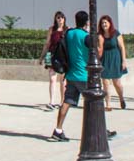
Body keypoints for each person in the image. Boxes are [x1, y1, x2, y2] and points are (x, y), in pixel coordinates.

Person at [53, 10, 102, 141]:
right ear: (87, 22)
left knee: (67, 102)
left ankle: (58, 129)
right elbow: (96, 53)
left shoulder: (69, 33)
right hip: (84, 75)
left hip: (71, 74)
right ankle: (99, 129)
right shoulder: (86, 36)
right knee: (94, 102)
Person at [96, 15, 128, 111]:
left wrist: (124, 61)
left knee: (117, 83)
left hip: (115, 58)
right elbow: (99, 49)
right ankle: (108, 104)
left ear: (110, 23)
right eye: (102, 23)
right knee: (105, 82)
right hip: (105, 59)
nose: (104, 24)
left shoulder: (116, 33)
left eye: (105, 22)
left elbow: (122, 47)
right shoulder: (100, 35)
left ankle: (121, 98)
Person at [43, 11, 68, 110]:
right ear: (55, 19)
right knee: (52, 79)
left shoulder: (67, 30)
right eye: (58, 17)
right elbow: (47, 43)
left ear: (64, 19)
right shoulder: (51, 29)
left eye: (62, 17)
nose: (60, 19)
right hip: (52, 55)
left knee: (63, 81)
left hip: (63, 56)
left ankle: (62, 102)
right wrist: (42, 56)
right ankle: (52, 101)